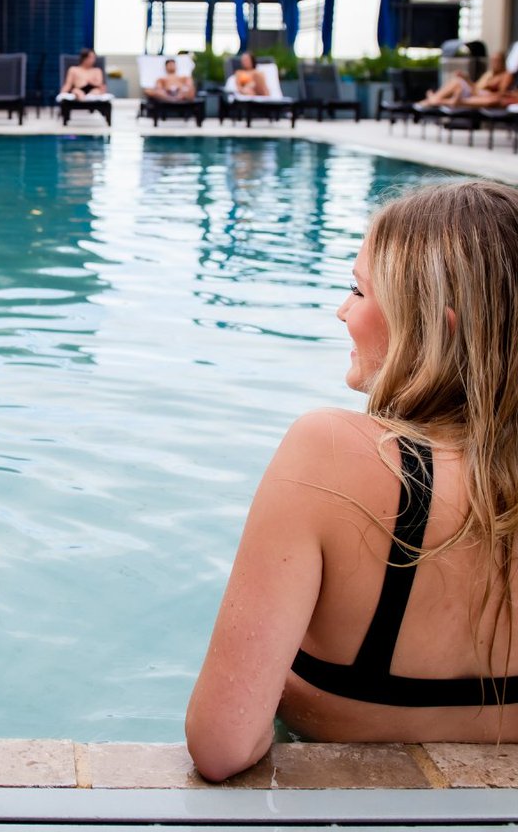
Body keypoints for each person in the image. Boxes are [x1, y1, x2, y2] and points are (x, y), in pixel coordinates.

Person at [186, 180, 518, 782]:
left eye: (358, 290)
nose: (343, 311)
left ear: (432, 326)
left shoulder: (333, 454)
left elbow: (222, 745)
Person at [417, 51, 514, 108]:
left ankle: (432, 100)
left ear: (503, 62)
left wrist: (468, 80)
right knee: (457, 82)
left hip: (487, 95)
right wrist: (467, 79)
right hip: (477, 92)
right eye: (493, 60)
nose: (494, 63)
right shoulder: (489, 74)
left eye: (497, 61)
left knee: (458, 83)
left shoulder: (506, 75)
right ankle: (433, 100)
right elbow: (477, 87)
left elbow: (501, 93)